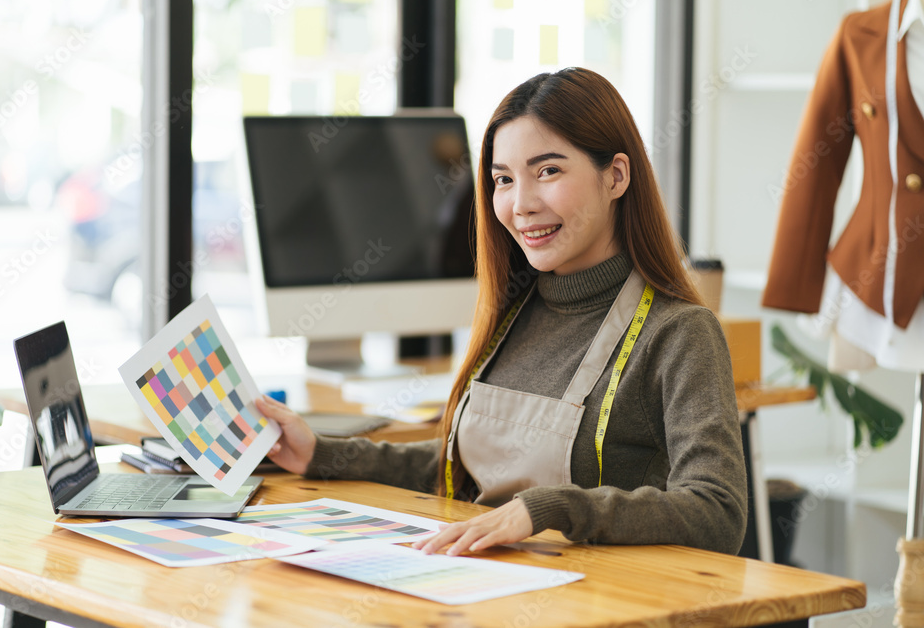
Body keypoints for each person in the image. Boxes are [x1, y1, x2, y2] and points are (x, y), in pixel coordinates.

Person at [255, 67, 747, 557]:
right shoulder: (515, 312)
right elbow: (461, 468)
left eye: (548, 171)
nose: (521, 204)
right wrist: (321, 452)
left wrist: (551, 509)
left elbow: (718, 511)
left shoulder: (680, 333)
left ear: (615, 176)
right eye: (503, 180)